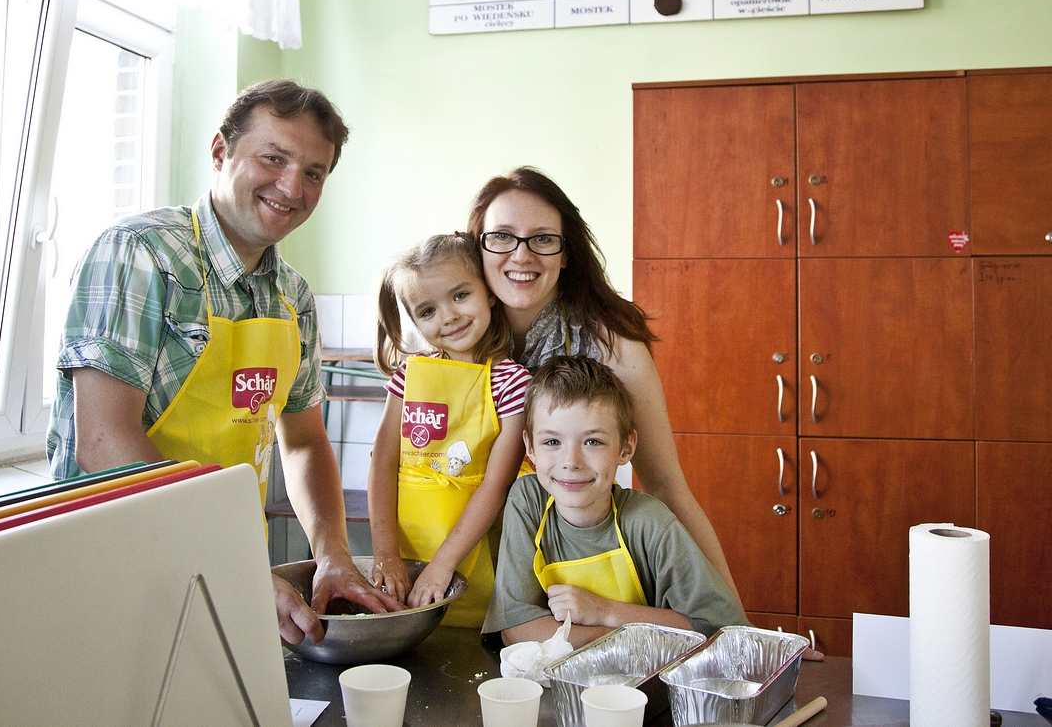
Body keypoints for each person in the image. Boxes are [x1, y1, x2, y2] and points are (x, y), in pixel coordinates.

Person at [46, 79, 403, 644]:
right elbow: (102, 440)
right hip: (113, 565)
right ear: (220, 151)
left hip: (222, 573)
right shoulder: (142, 253)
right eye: (273, 158)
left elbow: (304, 441)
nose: (292, 187)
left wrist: (333, 555)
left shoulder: (292, 296)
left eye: (314, 173)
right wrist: (228, 562)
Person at [466, 166, 742, 605]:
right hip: (464, 567)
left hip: (571, 579)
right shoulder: (454, 334)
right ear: (477, 246)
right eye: (502, 236)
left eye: (543, 239)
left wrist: (732, 620)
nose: (521, 255)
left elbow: (665, 484)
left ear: (566, 253)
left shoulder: (610, 343)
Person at [483, 356, 748, 647]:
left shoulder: (650, 522)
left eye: (592, 441)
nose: (570, 462)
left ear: (626, 448)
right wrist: (624, 637)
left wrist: (604, 611)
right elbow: (516, 630)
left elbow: (718, 630)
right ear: (530, 448)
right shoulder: (528, 502)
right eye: (552, 442)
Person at [367, 234, 530, 628]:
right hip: (408, 548)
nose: (449, 316)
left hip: (475, 550)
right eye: (428, 311)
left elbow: (497, 484)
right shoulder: (409, 376)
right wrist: (386, 554)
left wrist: (443, 564)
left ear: (489, 292)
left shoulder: (513, 384)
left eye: (460, 295)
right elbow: (383, 463)